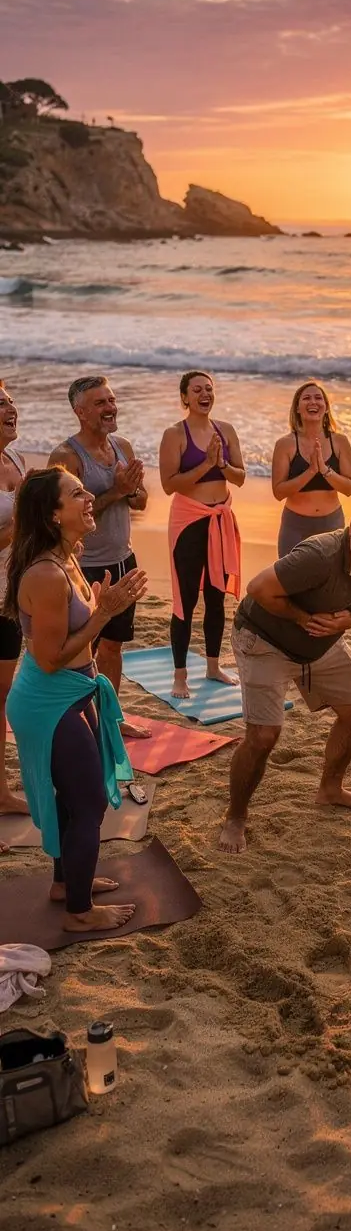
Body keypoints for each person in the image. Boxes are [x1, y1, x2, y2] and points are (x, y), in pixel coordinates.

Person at [4, 467, 148, 932]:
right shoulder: (46, 574)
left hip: (75, 688)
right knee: (88, 803)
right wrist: (104, 614)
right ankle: (79, 915)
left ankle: (67, 885)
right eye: (77, 493)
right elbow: (48, 658)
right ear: (52, 514)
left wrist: (104, 609)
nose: (90, 498)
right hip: (49, 698)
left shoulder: (69, 555)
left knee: (74, 799)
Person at [219, 493, 351, 853]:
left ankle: (330, 789)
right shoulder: (318, 556)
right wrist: (304, 619)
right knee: (263, 736)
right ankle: (236, 816)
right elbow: (257, 589)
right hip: (264, 639)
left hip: (321, 644)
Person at [48, 375, 151, 739]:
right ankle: (74, 720)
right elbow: (64, 516)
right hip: (83, 565)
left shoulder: (122, 445)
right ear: (79, 412)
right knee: (80, 649)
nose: (110, 408)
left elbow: (141, 500)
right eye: (100, 403)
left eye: (111, 400)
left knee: (113, 645)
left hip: (123, 557)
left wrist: (131, 491)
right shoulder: (66, 457)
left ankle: (110, 719)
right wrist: (116, 490)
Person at [159, 371, 245, 699]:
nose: (204, 394)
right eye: (197, 390)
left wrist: (220, 464)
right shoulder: (174, 434)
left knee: (215, 595)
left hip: (221, 518)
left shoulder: (226, 430)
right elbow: (170, 485)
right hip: (189, 521)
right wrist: (204, 464)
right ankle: (180, 675)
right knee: (185, 599)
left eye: (209, 389)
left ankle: (212, 666)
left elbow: (239, 477)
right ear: (185, 398)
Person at [271, 381, 351, 556]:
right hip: (295, 525)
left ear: (326, 408)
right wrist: (310, 471)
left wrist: (324, 470)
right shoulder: (285, 444)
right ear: (297, 408)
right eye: (306, 398)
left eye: (318, 398)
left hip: (331, 524)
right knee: (293, 581)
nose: (313, 402)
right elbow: (278, 492)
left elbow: (348, 488)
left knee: (328, 581)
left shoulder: (340, 441)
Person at [0, 380, 27, 815]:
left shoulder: (15, 459)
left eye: (7, 400)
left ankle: (1, 792)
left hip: (9, 598)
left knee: (3, 694)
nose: (10, 407)